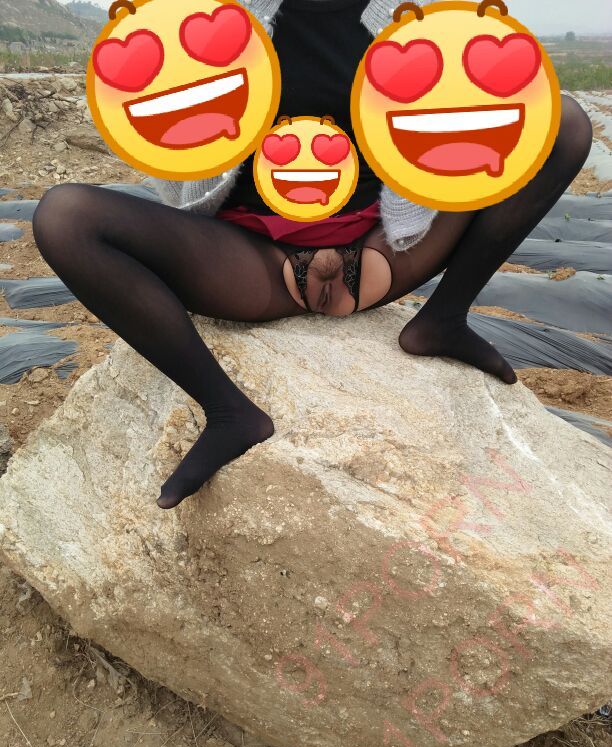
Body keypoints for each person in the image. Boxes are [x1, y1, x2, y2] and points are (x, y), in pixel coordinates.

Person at [32, 0, 593, 509]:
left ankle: (442, 319)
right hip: (251, 259)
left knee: (561, 122)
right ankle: (229, 412)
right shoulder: (221, 18)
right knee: (66, 217)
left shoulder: (409, 19)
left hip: (382, 248)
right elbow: (166, 131)